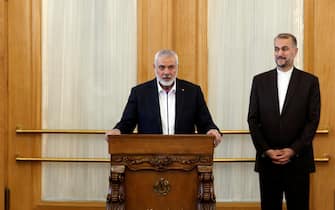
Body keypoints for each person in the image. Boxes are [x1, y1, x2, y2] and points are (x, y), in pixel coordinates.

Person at [247, 33, 321, 210]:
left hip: (298, 161)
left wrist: (293, 150)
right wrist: (267, 150)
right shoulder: (259, 81)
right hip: (268, 162)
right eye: (276, 49)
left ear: (295, 52)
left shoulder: (310, 82)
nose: (280, 53)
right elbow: (252, 119)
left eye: (285, 49)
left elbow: (312, 121)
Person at [106, 49, 222, 146]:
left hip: (184, 157)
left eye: (171, 67)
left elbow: (205, 122)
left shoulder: (192, 92)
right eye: (162, 67)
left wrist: (211, 130)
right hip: (149, 157)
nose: (166, 72)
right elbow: (127, 123)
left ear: (177, 67)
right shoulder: (140, 93)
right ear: (154, 68)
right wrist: (117, 131)